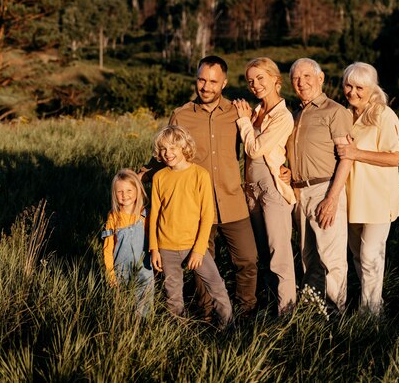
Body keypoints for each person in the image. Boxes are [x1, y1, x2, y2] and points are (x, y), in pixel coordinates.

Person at [140, 55, 258, 319]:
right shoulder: (181, 115)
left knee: (248, 259)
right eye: (201, 80)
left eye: (213, 82)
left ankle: (246, 313)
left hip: (232, 201)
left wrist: (283, 167)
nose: (206, 86)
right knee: (201, 266)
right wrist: (143, 174)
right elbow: (166, 151)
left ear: (224, 83)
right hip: (195, 208)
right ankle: (205, 316)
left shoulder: (236, 112)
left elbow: (257, 146)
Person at [337, 62, 399, 316]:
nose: (353, 92)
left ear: (372, 89)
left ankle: (371, 312)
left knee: (369, 254)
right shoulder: (343, 114)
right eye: (348, 85)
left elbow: (395, 157)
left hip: (377, 198)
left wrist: (357, 153)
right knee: (357, 255)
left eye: (359, 87)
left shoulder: (383, 115)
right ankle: (370, 302)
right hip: (351, 197)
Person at [284, 58, 353, 314]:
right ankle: (315, 311)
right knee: (308, 257)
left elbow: (346, 158)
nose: (301, 82)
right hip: (299, 192)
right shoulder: (295, 115)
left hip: (325, 190)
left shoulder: (335, 111)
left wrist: (332, 199)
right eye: (296, 78)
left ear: (320, 78)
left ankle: (337, 314)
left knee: (331, 258)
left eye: (306, 76)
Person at [149, 125, 233, 327]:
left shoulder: (199, 174)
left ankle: (228, 326)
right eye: (163, 150)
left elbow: (207, 215)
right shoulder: (159, 177)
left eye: (172, 148)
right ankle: (179, 330)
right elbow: (154, 215)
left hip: (195, 246)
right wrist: (154, 249)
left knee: (216, 286)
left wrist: (198, 249)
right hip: (166, 247)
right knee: (173, 293)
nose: (167, 154)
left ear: (184, 147)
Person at [232, 57, 297, 315]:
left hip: (271, 188)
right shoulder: (257, 112)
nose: (255, 85)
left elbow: (256, 149)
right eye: (250, 81)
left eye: (260, 78)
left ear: (274, 79)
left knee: (279, 253)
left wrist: (244, 121)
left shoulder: (283, 116)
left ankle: (287, 313)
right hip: (251, 189)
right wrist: (248, 118)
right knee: (263, 253)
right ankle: (271, 306)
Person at [101, 169, 154, 317]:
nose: (125, 195)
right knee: (121, 308)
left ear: (138, 190)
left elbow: (154, 241)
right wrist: (110, 274)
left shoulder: (146, 215)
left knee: (144, 309)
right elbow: (107, 248)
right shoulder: (113, 217)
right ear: (114, 194)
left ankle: (142, 331)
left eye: (129, 190)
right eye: (120, 192)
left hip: (145, 269)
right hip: (121, 271)